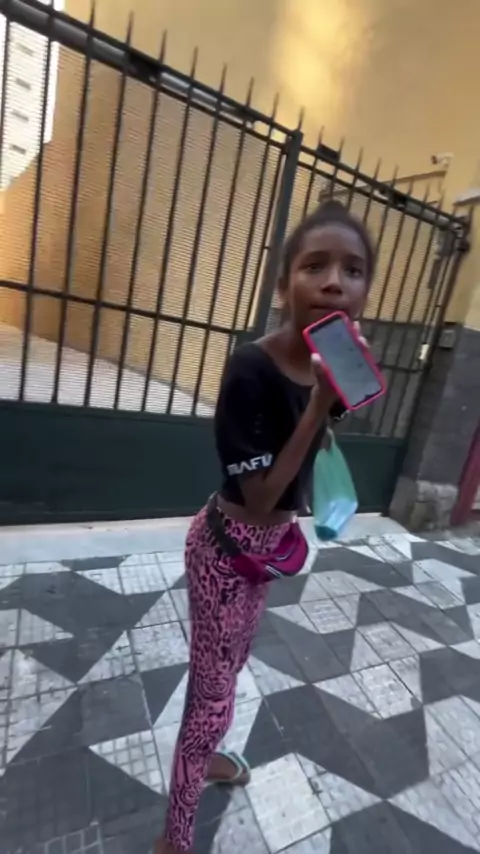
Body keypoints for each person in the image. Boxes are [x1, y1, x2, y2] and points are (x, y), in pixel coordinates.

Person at [154, 200, 376, 854]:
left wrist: (334, 395)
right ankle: (174, 837)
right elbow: (257, 499)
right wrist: (318, 406)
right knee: (209, 696)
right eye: (315, 266)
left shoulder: (324, 360)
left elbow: (319, 436)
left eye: (353, 270)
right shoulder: (250, 367)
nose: (334, 282)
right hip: (227, 552)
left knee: (232, 668)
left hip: (268, 550)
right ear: (284, 286)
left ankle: (208, 756)